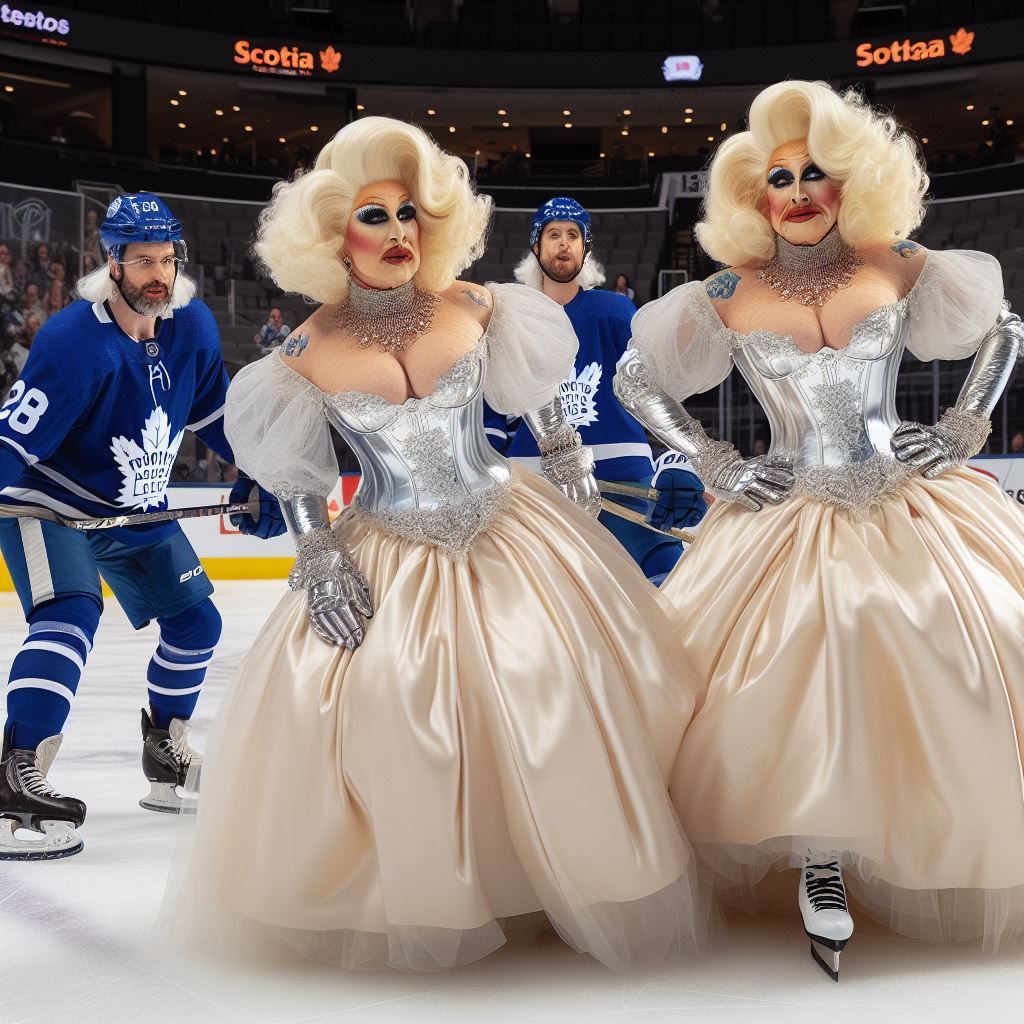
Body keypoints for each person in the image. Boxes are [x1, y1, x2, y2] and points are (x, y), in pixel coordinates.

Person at [159, 117, 710, 972]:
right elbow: (298, 475)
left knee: (558, 686)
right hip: (385, 546)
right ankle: (450, 887)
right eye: (374, 217)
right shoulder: (302, 354)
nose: (398, 232)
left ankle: (559, 872)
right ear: (332, 237)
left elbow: (539, 395)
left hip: (509, 525)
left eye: (410, 213)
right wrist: (318, 557)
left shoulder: (480, 305)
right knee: (393, 706)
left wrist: (565, 455)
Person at [614, 80, 1024, 980]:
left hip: (910, 501)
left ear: (851, 182)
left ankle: (932, 832)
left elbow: (1004, 328)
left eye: (816, 173)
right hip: (785, 512)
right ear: (752, 197)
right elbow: (635, 381)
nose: (798, 191)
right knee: (799, 658)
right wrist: (714, 459)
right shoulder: (728, 290)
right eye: (779, 178)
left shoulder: (896, 261)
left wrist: (965, 424)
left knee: (977, 635)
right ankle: (820, 858)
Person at [0, 193, 285, 861]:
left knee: (197, 624)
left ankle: (164, 754)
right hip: (52, 504)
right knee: (70, 614)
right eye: (142, 261)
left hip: (135, 508)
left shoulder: (192, 327)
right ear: (113, 263)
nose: (158, 274)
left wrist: (259, 471)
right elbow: (13, 440)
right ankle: (15, 776)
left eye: (166, 259)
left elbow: (216, 416)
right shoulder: (74, 342)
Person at [485, 197, 704, 585]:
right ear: (536, 245)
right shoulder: (511, 317)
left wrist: (677, 457)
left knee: (671, 580)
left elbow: (654, 390)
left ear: (585, 248)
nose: (564, 244)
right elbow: (492, 416)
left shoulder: (614, 311)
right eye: (554, 234)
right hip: (535, 487)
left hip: (624, 478)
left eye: (573, 235)